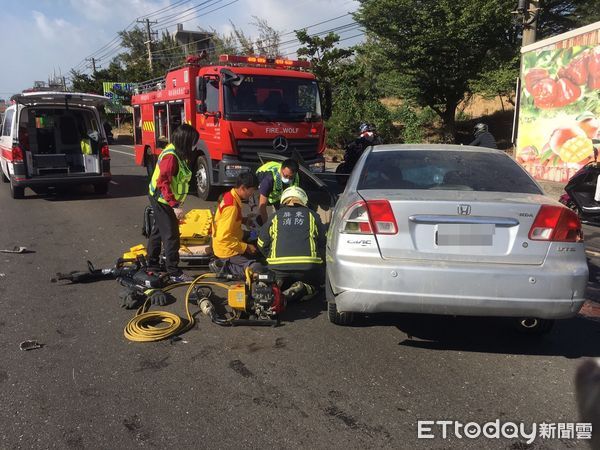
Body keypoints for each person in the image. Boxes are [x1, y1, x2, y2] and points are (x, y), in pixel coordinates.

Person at [147, 124, 199, 282]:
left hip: (163, 199)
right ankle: (174, 271)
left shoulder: (177, 152)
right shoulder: (171, 157)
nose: (195, 144)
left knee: (158, 231)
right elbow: (163, 182)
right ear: (186, 141)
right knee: (171, 235)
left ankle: (153, 265)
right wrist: (174, 206)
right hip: (162, 199)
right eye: (193, 141)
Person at [257, 186, 325, 302]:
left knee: (272, 277)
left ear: (284, 200)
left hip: (278, 267)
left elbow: (261, 243)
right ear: (304, 200)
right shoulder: (313, 216)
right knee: (318, 284)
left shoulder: (275, 216)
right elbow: (323, 242)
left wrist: (271, 255)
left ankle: (275, 285)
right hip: (307, 267)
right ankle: (303, 288)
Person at [211, 172, 263, 278]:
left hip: (235, 235)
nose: (252, 194)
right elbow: (223, 238)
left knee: (255, 235)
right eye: (251, 190)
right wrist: (246, 247)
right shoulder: (231, 207)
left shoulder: (230, 196)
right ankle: (223, 266)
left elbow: (227, 221)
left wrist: (244, 220)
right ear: (243, 188)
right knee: (257, 268)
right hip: (227, 249)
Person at [256, 159, 300, 224]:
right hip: (264, 183)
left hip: (277, 194)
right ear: (281, 170)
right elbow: (262, 206)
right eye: (285, 176)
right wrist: (266, 226)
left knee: (284, 214)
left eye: (291, 177)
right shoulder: (268, 180)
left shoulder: (295, 176)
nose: (288, 179)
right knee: (261, 214)